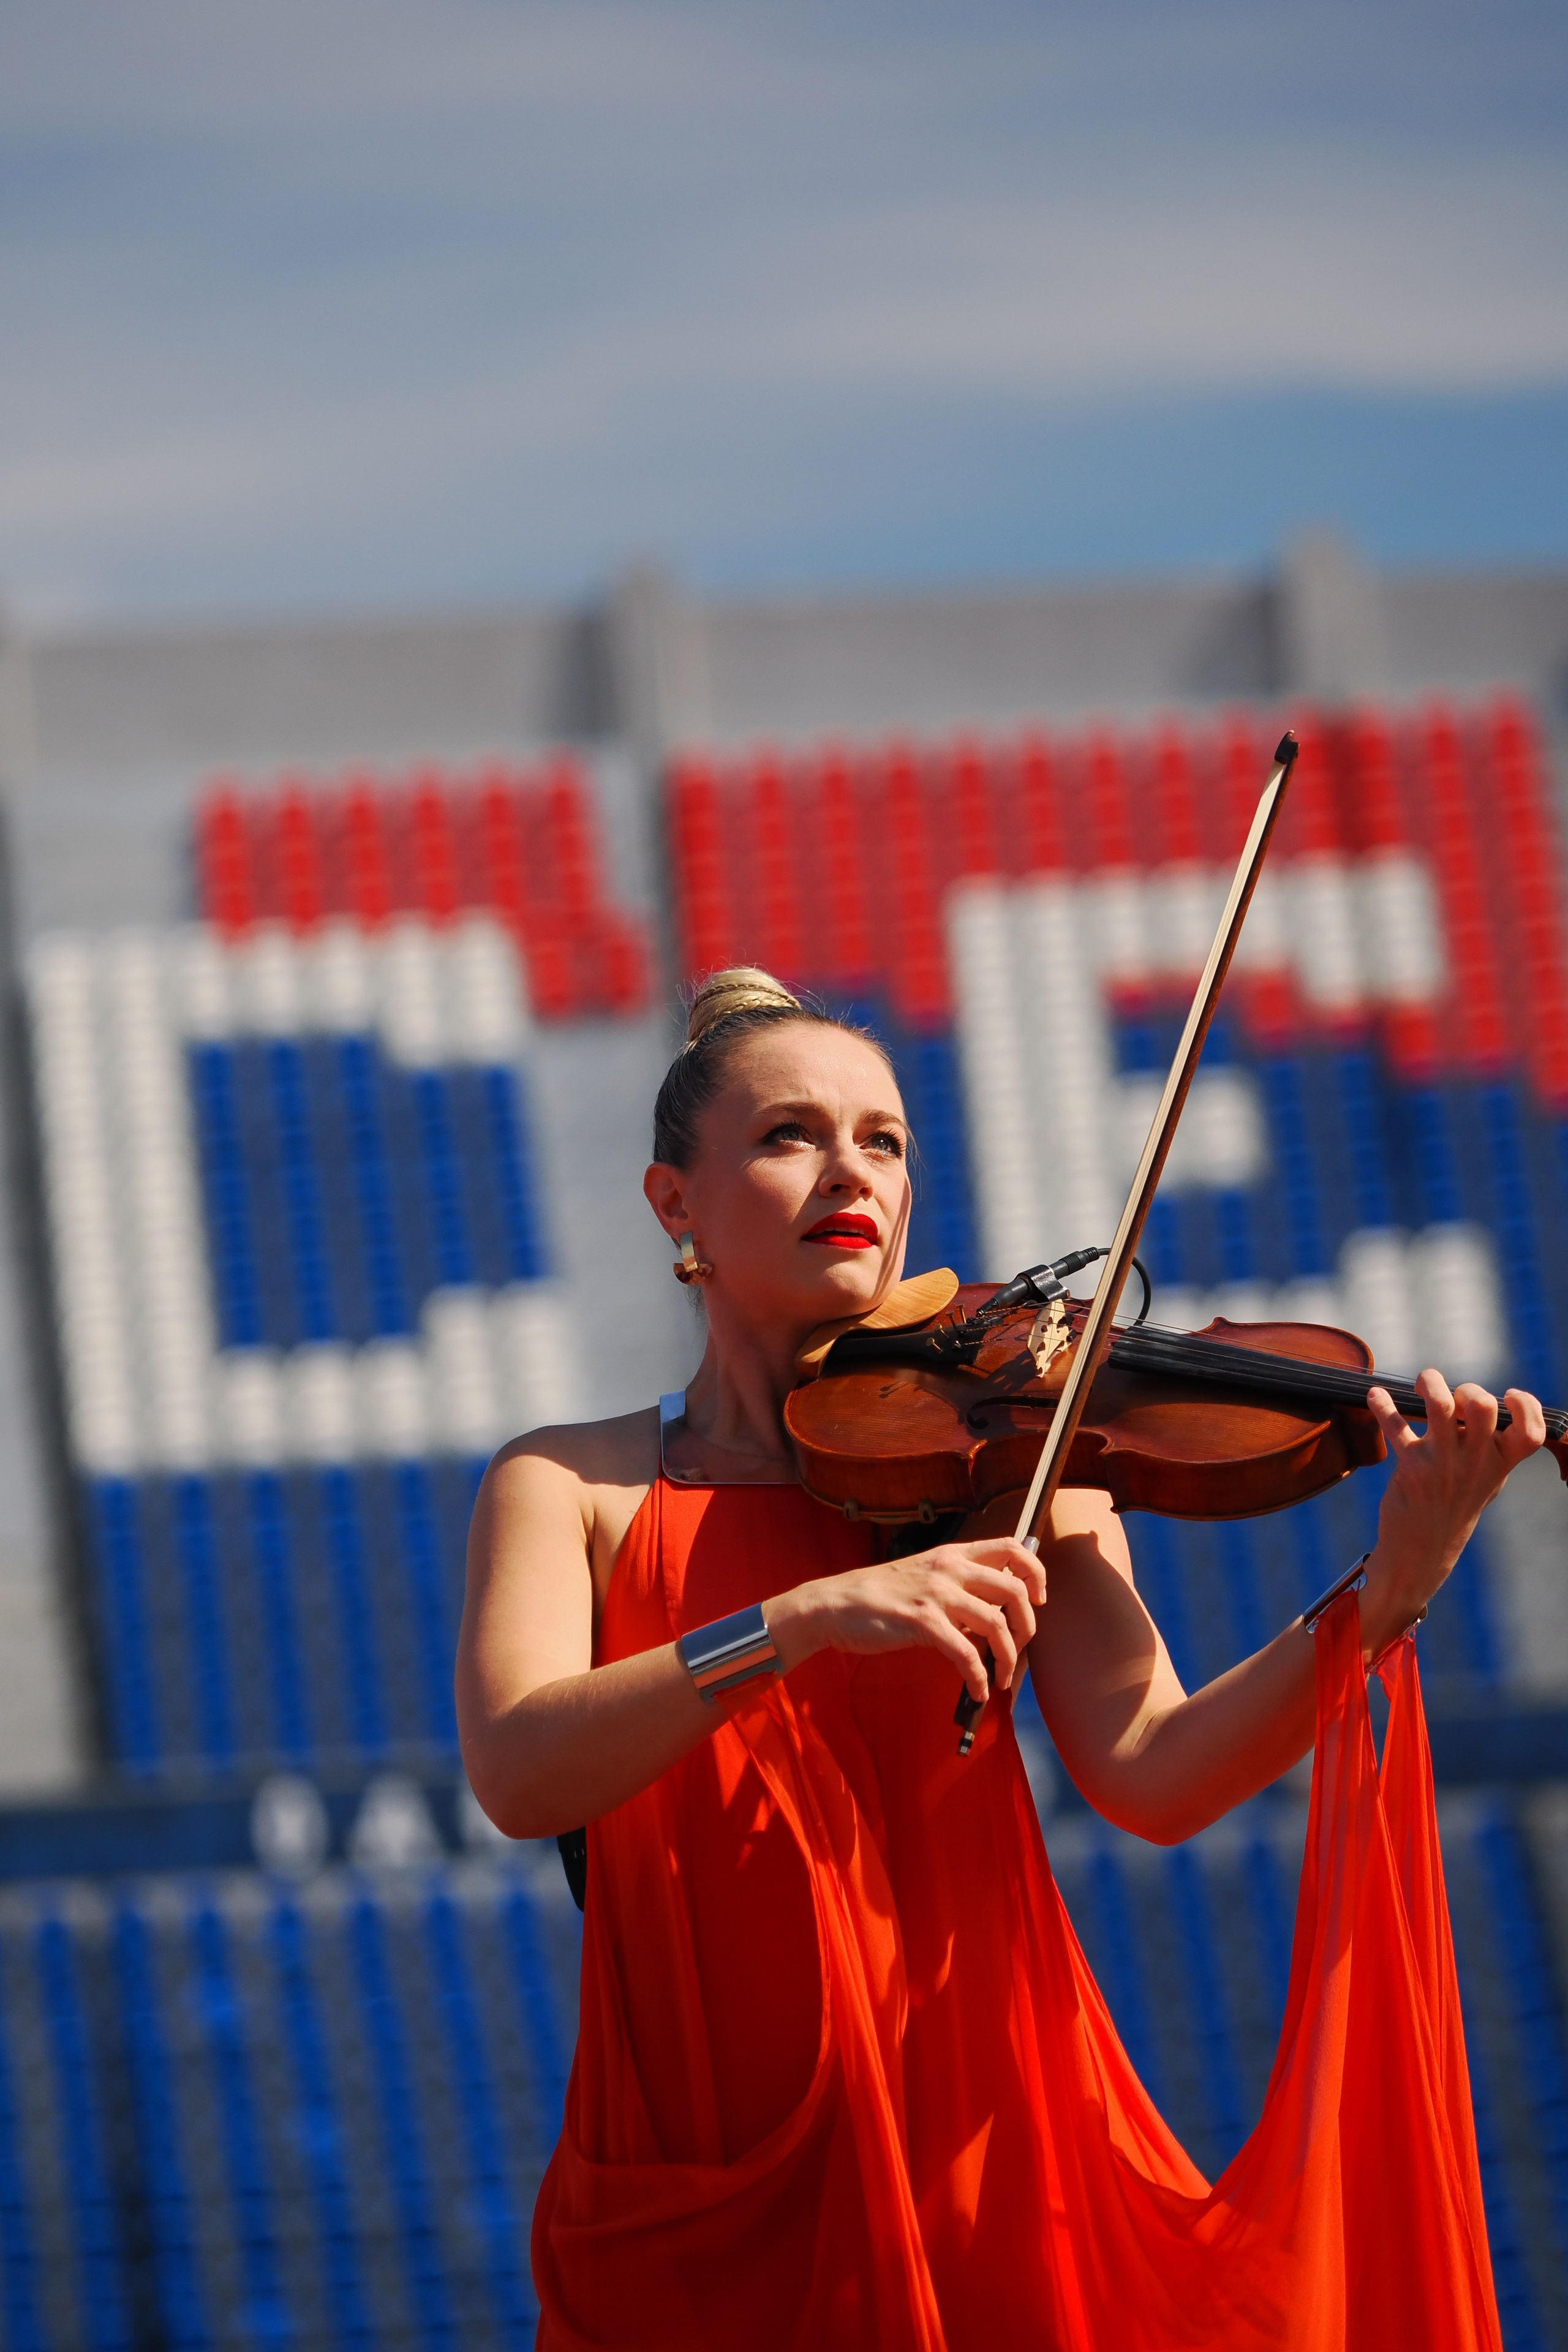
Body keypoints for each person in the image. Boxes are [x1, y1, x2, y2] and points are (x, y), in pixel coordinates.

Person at [458, 967, 1543, 2352]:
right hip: (689, 2201)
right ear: (676, 1204)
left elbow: (1154, 1774)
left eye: (884, 1140)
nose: (850, 1168)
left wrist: (1389, 1588)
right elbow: (518, 1765)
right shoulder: (569, 1485)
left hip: (982, 2161)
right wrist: (799, 1624)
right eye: (789, 1134)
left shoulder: (1017, 1463)